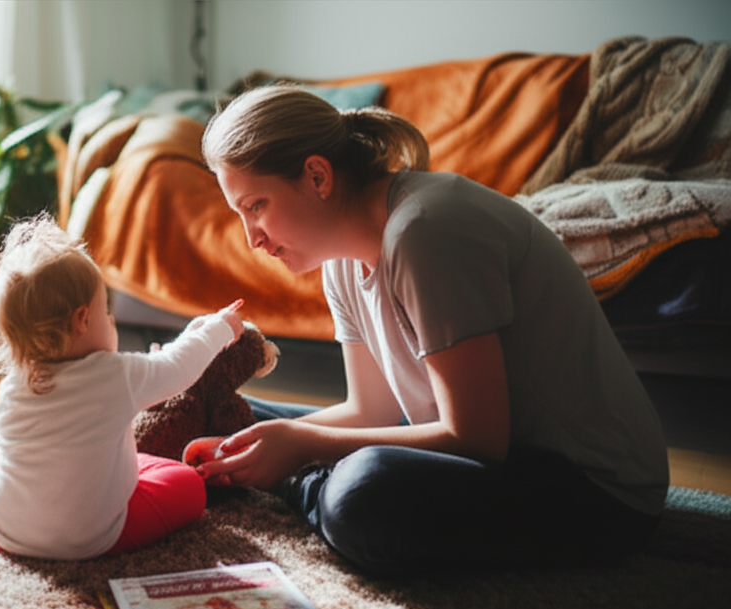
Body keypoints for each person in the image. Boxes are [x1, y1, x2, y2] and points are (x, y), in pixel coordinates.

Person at [196, 85, 669, 576]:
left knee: (360, 494)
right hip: (487, 450)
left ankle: (298, 484)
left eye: (256, 206)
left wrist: (301, 447)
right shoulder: (341, 262)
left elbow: (478, 437)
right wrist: (282, 440)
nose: (252, 239)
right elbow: (370, 411)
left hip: (592, 490)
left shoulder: (426, 229)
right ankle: (293, 476)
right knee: (223, 415)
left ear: (317, 176)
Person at [0, 214, 244, 560]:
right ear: (82, 320)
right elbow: (178, 368)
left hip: (7, 530)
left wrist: (187, 338)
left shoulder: (13, 386)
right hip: (90, 538)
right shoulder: (116, 375)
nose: (112, 320)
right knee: (188, 485)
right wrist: (219, 329)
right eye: (106, 312)